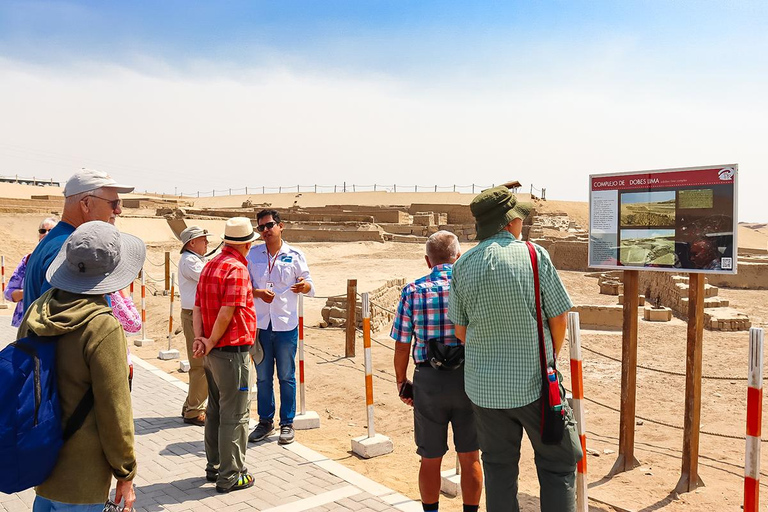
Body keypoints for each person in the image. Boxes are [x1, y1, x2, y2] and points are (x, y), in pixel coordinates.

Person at [448, 186, 583, 512]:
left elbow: (460, 331)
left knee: (498, 467)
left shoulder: (463, 265)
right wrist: (550, 358)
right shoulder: (535, 256)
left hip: (483, 391)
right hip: (534, 385)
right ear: (509, 222)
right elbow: (558, 317)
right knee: (558, 463)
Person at [18, 221, 144, 512]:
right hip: (82, 478)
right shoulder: (102, 326)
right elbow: (115, 409)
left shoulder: (38, 310)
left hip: (42, 461)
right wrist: (125, 473)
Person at [391, 230, 483, 512]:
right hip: (469, 379)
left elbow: (402, 346)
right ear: (458, 257)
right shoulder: (472, 287)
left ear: (427, 261)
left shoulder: (413, 291)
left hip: (429, 382)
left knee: (430, 458)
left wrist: (402, 383)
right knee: (470, 457)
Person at [192, 217, 258, 493]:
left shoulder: (210, 265)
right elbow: (227, 311)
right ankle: (232, 474)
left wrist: (201, 340)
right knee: (236, 414)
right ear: (247, 244)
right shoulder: (236, 269)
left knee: (216, 410)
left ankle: (215, 466)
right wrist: (210, 340)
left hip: (212, 352)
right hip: (231, 352)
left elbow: (197, 307)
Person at [23, 168, 133, 314]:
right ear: (86, 204)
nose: (118, 210)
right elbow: (61, 322)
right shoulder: (72, 250)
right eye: (113, 203)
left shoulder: (59, 241)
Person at [246, 209, 314, 445]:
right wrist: (257, 293)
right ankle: (265, 421)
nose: (266, 230)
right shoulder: (252, 255)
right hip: (261, 325)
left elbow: (309, 284)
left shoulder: (295, 255)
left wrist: (303, 286)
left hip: (286, 324)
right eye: (261, 227)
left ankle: (287, 423)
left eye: (270, 225)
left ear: (281, 226)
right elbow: (244, 287)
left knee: (286, 376)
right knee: (263, 377)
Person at [178, 225, 213, 426]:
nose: (207, 243)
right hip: (193, 316)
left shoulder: (194, 259)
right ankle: (194, 411)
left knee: (200, 363)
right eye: (203, 239)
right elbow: (209, 278)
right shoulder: (190, 261)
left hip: (196, 315)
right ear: (192, 243)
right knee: (200, 364)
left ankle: (191, 405)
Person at [5, 217, 58, 326]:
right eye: (42, 231)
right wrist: (28, 292)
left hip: (52, 323)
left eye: (51, 231)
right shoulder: (27, 260)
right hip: (26, 325)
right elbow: (8, 293)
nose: (46, 234)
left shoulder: (62, 260)